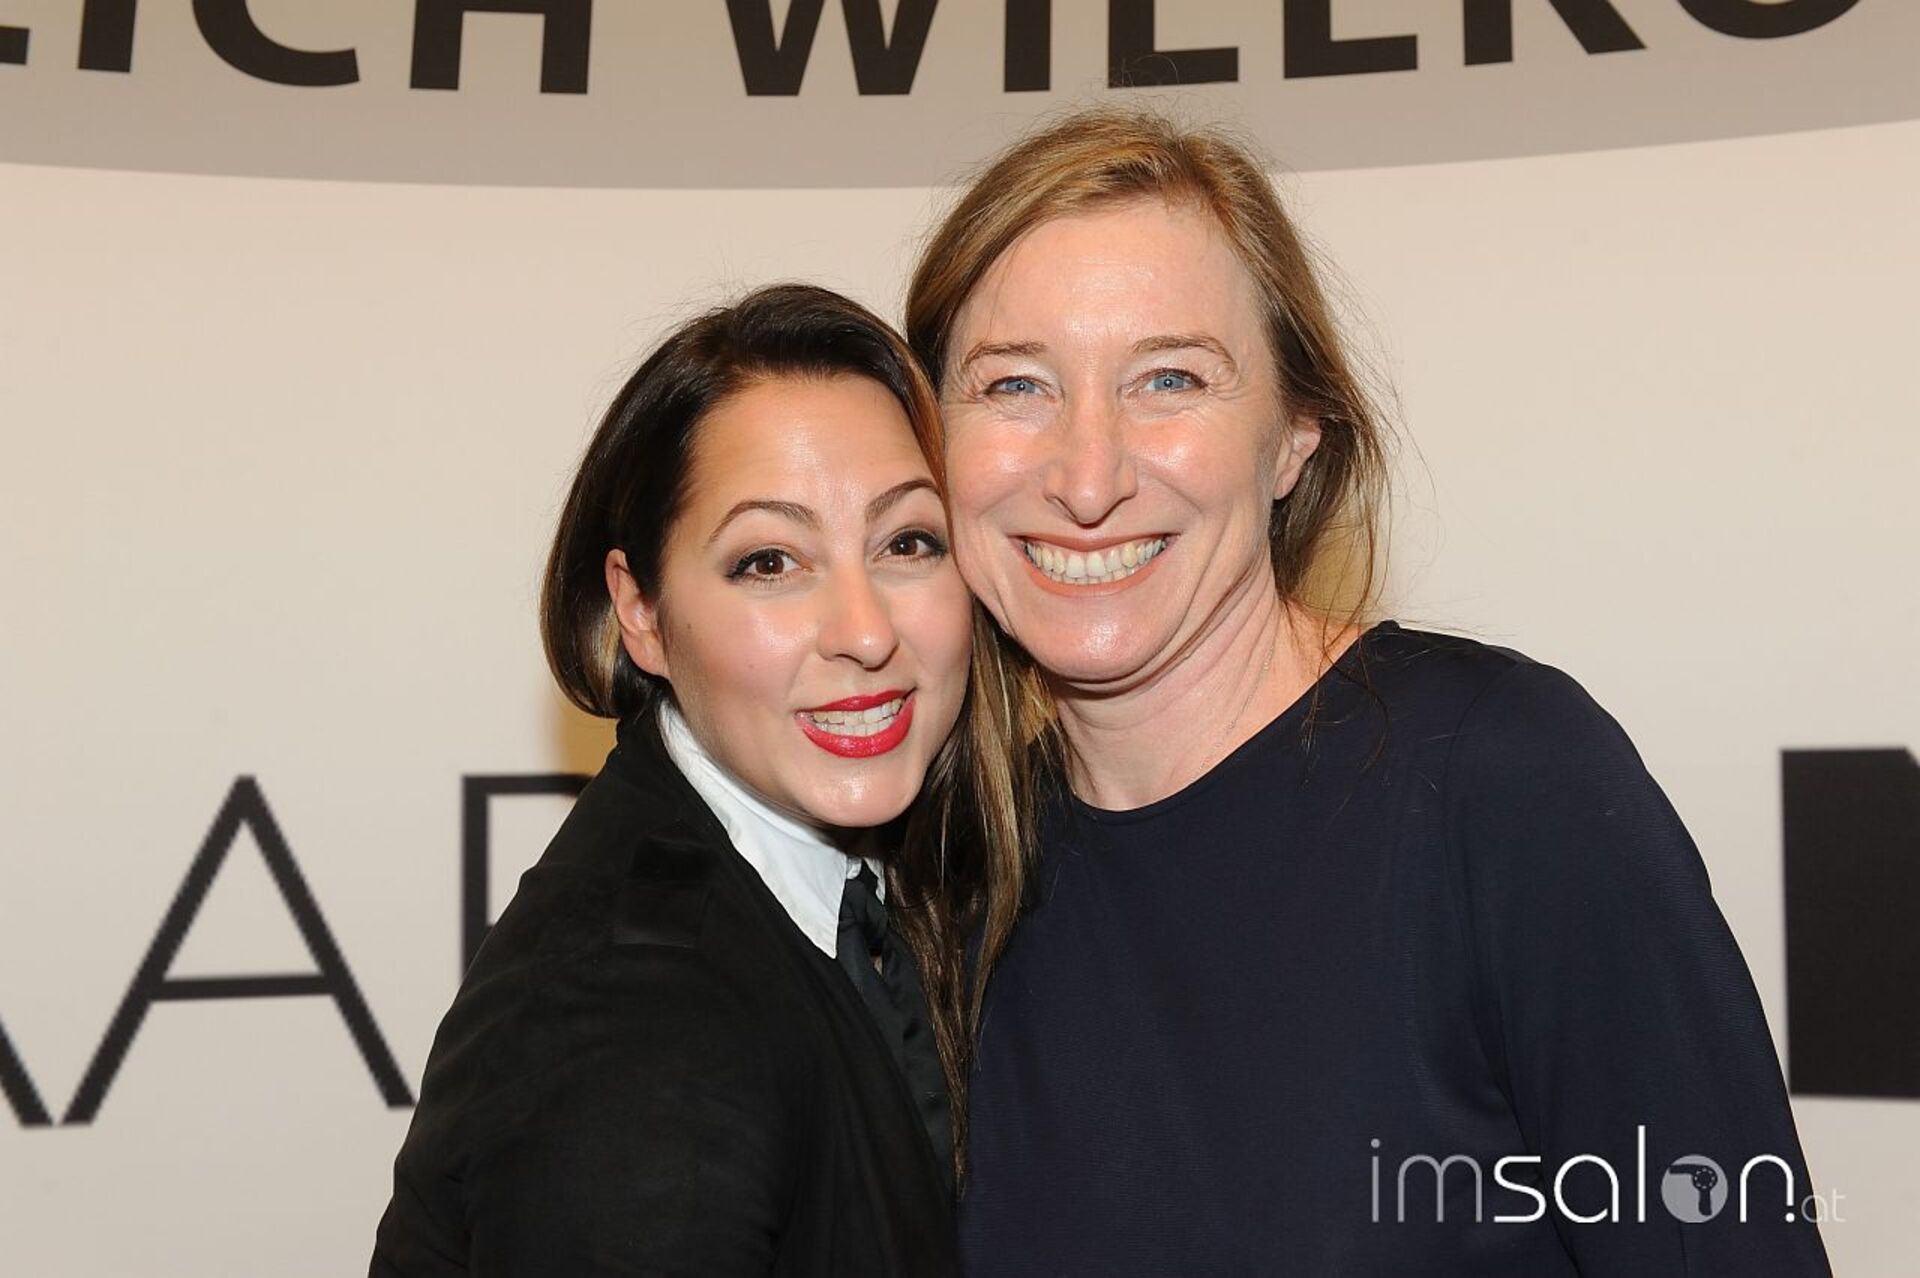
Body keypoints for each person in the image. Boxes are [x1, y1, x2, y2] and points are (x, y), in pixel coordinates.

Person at [905, 109, 1832, 1275]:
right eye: (1015, 386)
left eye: (1170, 378)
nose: (1087, 476)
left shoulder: (1501, 785)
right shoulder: (945, 873)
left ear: (1297, 435)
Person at [369, 284, 981, 1276]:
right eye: (770, 562)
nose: (866, 632)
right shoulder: (635, 1034)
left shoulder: (855, 884)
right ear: (642, 614)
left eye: (907, 543)